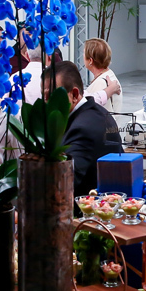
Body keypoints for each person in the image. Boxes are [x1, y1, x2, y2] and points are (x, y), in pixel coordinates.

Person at [46, 61, 122, 197]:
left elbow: (64, 182)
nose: (46, 102)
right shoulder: (96, 112)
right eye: (43, 96)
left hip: (90, 207)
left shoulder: (82, 129)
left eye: (51, 96)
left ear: (74, 95)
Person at [83, 37, 123, 113]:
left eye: (84, 53)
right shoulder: (109, 74)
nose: (83, 56)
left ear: (90, 61)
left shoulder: (101, 83)